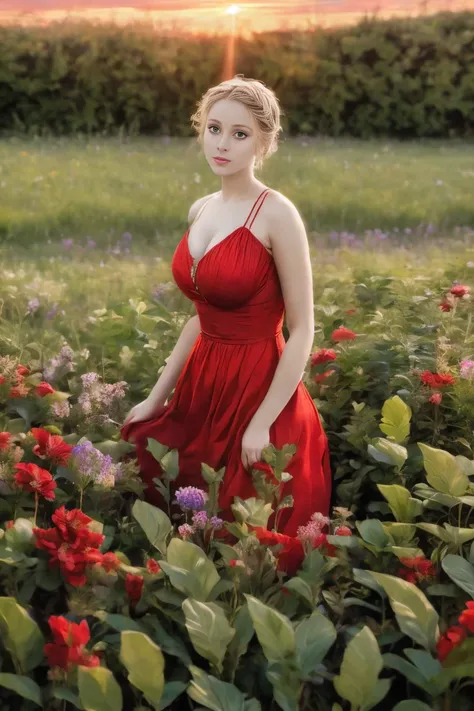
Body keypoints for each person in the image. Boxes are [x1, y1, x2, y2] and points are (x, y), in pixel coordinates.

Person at [120, 74, 331, 535]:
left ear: (264, 142)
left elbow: (304, 330)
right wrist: (157, 397)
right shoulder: (202, 208)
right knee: (183, 505)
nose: (223, 144)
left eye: (240, 134)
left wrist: (261, 424)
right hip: (203, 381)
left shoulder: (277, 213)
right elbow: (201, 317)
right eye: (214, 129)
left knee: (248, 531)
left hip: (260, 386)